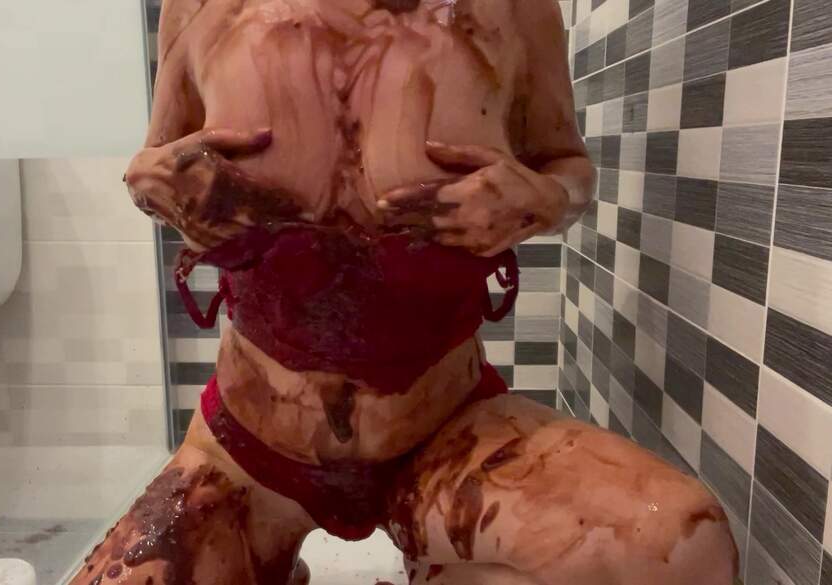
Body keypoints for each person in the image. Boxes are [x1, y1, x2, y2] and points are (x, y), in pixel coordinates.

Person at [71, 1, 737, 583]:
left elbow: (567, 167)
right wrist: (152, 183)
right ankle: (265, 560)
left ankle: (443, 561)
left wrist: (541, 198)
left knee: (684, 549)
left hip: (444, 432)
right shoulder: (201, 7)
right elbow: (152, 162)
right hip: (244, 448)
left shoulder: (512, 9)